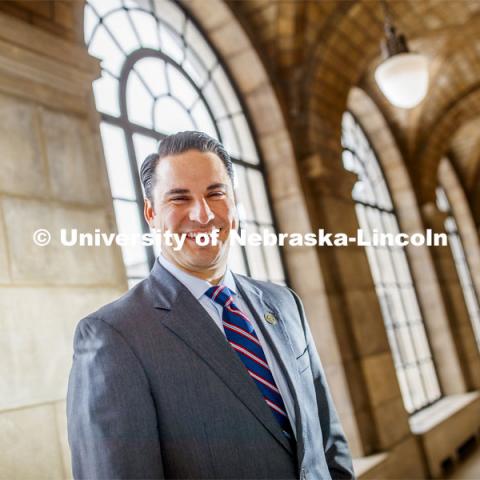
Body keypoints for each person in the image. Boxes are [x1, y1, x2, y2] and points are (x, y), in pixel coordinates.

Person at [66, 131, 354, 480]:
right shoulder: (112, 337)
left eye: (215, 194)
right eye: (179, 198)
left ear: (234, 204)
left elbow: (328, 446)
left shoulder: (285, 304)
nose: (202, 215)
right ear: (151, 213)